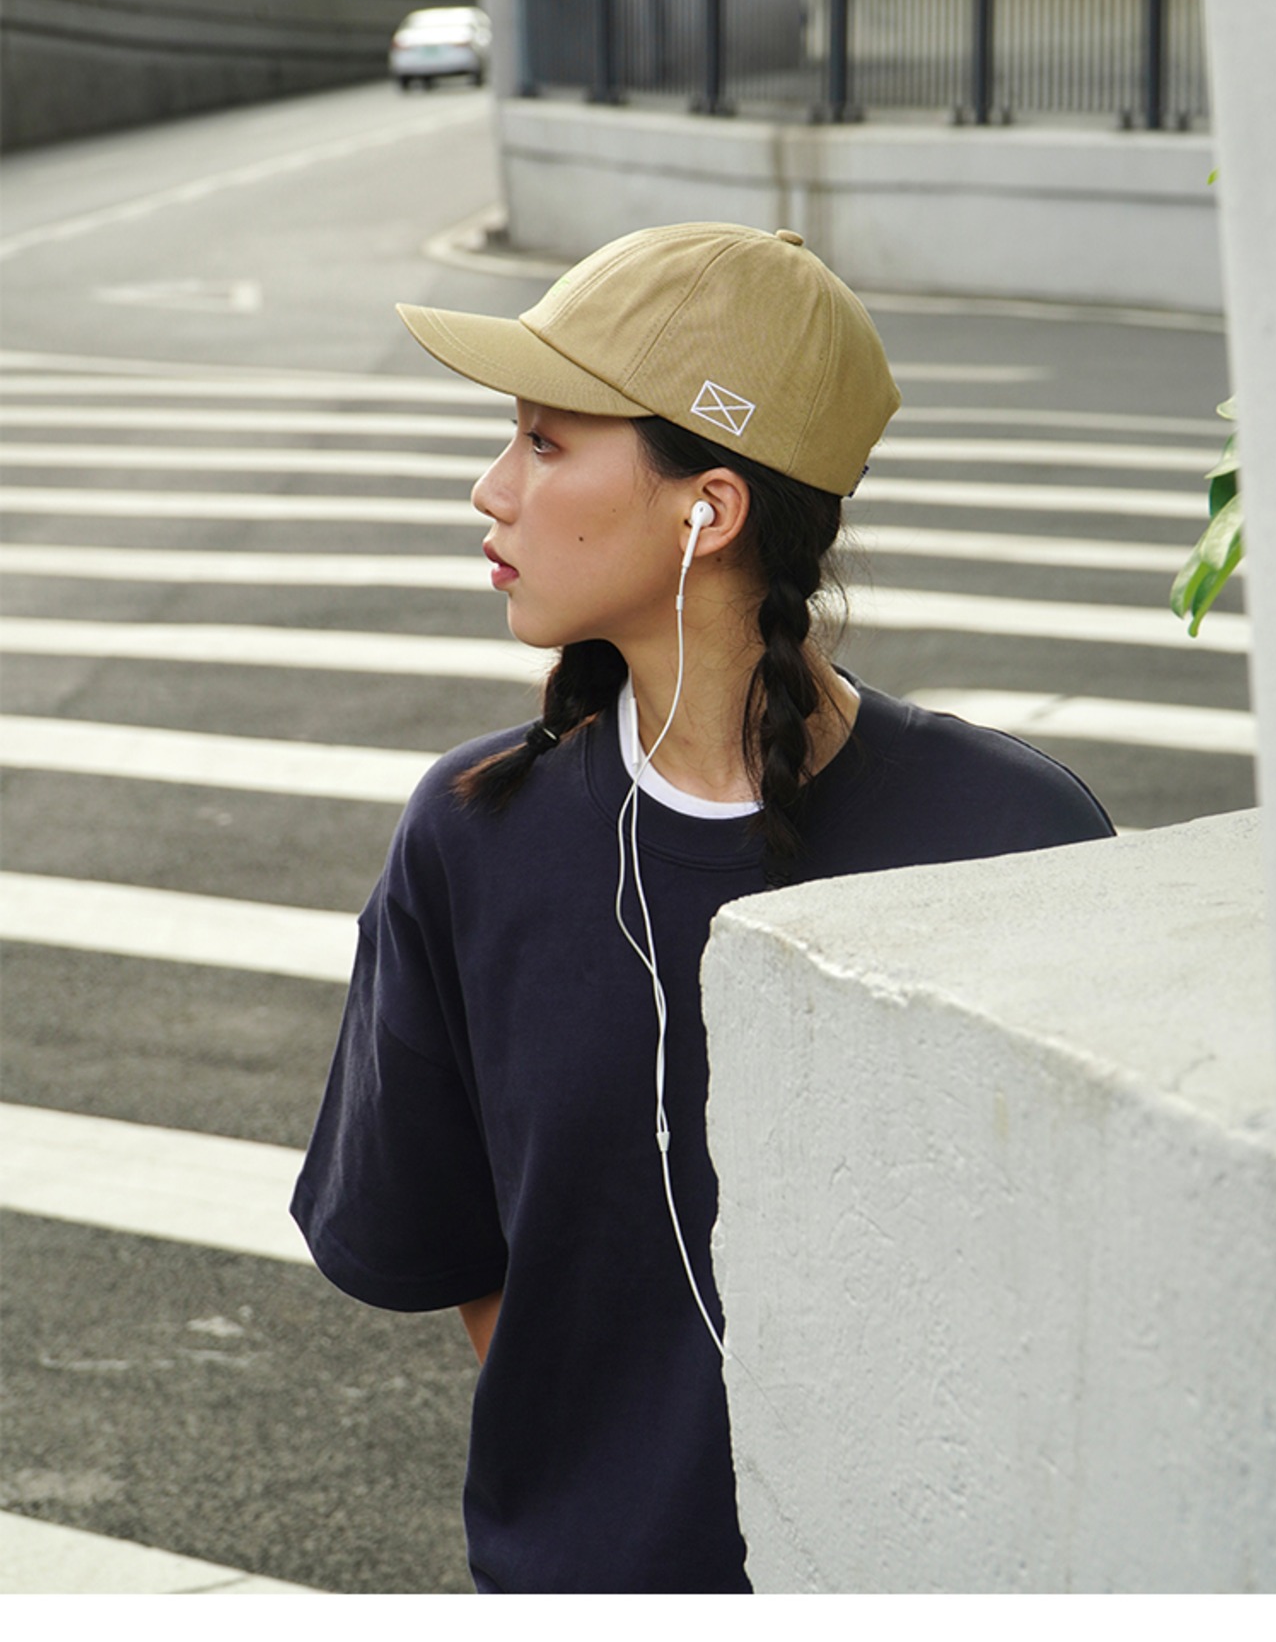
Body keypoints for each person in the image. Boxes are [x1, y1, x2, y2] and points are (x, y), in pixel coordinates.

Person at [290, 221, 1114, 1594]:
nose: (490, 488)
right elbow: (468, 1256)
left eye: (545, 443)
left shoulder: (1014, 840)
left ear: (708, 510)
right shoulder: (470, 835)